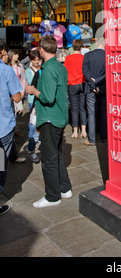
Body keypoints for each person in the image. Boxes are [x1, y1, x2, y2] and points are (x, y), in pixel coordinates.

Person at [26, 35, 72, 208]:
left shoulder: (47, 70)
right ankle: (65, 188)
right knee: (58, 154)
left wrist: (33, 90)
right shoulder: (60, 67)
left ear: (42, 50)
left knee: (48, 159)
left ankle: (52, 196)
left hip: (50, 118)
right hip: (59, 117)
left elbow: (47, 97)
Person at [0, 43, 23, 215]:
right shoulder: (6, 71)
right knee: (1, 166)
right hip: (3, 126)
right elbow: (16, 97)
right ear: (2, 52)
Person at [82, 37, 106, 146]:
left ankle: (92, 139)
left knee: (91, 113)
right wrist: (97, 81)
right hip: (103, 88)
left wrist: (93, 83)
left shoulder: (87, 55)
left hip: (90, 88)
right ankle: (104, 136)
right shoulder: (107, 56)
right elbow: (107, 74)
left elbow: (85, 71)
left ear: (96, 43)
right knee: (103, 112)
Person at [64, 39, 87, 139]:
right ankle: (84, 131)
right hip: (82, 84)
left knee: (74, 109)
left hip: (72, 84)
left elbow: (65, 72)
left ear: (72, 47)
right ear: (81, 47)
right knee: (82, 108)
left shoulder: (68, 58)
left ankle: (75, 132)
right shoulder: (84, 58)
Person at [25, 49, 42, 163]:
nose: (37, 62)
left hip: (40, 99)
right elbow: (32, 86)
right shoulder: (28, 71)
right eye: (35, 60)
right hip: (33, 100)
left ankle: (34, 139)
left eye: (38, 60)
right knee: (33, 124)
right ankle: (31, 147)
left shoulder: (42, 69)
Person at [8, 50, 26, 120]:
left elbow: (23, 79)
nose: (17, 56)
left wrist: (22, 90)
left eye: (17, 54)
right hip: (9, 92)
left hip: (18, 91)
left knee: (18, 111)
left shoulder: (20, 66)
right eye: (15, 54)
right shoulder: (7, 66)